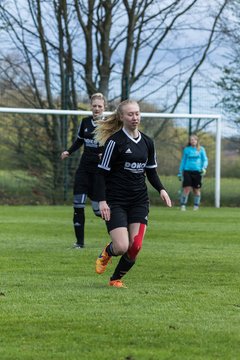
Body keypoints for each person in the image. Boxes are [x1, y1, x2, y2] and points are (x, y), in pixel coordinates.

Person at [94, 99, 172, 288]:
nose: (135, 117)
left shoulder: (147, 142)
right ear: (121, 117)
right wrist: (102, 201)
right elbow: (100, 175)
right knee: (121, 247)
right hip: (116, 201)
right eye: (130, 114)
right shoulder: (114, 142)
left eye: (137, 113)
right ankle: (107, 252)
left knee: (135, 246)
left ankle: (115, 279)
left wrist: (161, 189)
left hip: (139, 201)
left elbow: (151, 171)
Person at [61, 93, 107, 248]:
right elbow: (80, 140)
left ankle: (119, 236)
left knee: (98, 211)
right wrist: (69, 151)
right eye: (94, 106)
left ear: (104, 108)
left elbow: (114, 144)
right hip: (84, 168)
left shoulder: (108, 124)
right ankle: (79, 243)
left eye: (99, 106)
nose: (97, 108)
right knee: (78, 206)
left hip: (99, 171)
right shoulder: (85, 122)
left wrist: (105, 153)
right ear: (91, 107)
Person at [178, 134, 208, 211]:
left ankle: (196, 205)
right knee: (186, 188)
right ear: (190, 141)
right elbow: (183, 161)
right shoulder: (187, 150)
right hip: (187, 171)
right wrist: (180, 172)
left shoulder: (201, 149)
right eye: (191, 140)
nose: (193, 141)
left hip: (198, 172)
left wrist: (204, 168)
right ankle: (183, 205)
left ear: (197, 141)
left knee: (196, 189)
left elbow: (205, 160)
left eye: (194, 140)